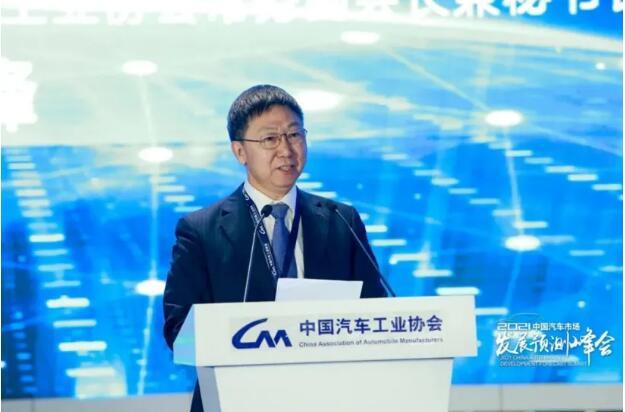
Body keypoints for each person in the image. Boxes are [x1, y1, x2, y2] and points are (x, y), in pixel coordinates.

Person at [163, 84, 387, 412]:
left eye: (294, 135)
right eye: (270, 139)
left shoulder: (342, 221)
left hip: (328, 398)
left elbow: (377, 315)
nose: (286, 149)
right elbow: (178, 332)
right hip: (235, 400)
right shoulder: (201, 230)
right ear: (240, 151)